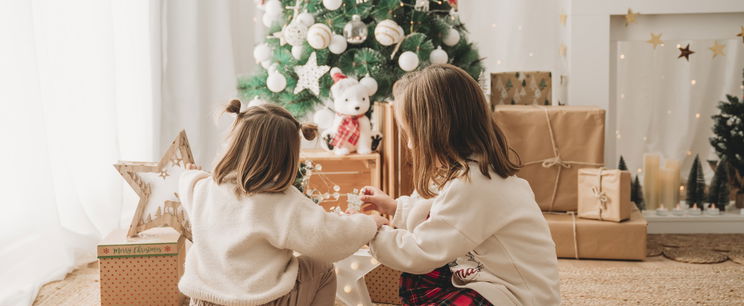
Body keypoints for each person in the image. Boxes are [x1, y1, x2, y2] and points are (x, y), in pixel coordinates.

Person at [361, 64, 560, 305]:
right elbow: (435, 210)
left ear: (432, 132)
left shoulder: (476, 184)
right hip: (483, 281)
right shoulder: (463, 171)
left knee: (421, 265)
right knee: (423, 278)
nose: (411, 145)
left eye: (410, 134)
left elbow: (423, 250)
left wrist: (372, 233)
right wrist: (395, 208)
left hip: (515, 296)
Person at [178, 101, 388, 306]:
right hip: (259, 302)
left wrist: (191, 174)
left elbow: (187, 182)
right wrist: (369, 223)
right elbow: (329, 236)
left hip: (204, 300)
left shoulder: (204, 189)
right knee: (322, 268)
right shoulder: (281, 202)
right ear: (287, 156)